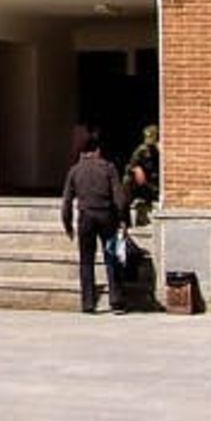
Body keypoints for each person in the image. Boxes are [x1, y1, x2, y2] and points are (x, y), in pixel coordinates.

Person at [61, 130, 130, 314]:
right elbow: (120, 198)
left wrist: (68, 224)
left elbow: (67, 201)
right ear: (98, 150)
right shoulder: (109, 168)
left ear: (82, 153)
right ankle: (116, 301)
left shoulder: (74, 171)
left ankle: (88, 303)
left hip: (85, 218)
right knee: (112, 258)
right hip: (107, 216)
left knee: (86, 261)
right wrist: (123, 220)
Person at [126, 125, 161, 226]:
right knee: (127, 181)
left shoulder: (161, 150)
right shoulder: (141, 150)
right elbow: (130, 166)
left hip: (157, 182)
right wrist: (136, 169)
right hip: (146, 182)